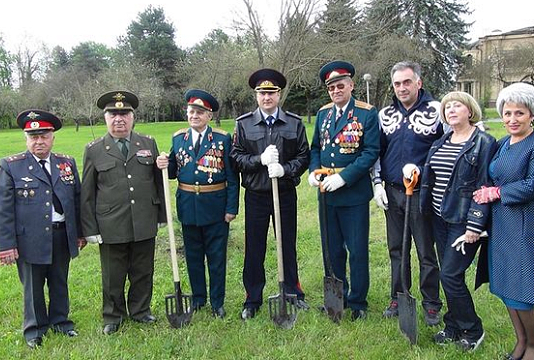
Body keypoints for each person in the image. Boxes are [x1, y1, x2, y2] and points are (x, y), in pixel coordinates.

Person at [473, 83, 534, 360]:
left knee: (522, 290)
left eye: (519, 113)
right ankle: (520, 342)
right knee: (507, 286)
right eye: (507, 113)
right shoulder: (501, 144)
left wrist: (497, 192)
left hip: (529, 226)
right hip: (503, 225)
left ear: (532, 114)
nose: (512, 119)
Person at [0, 109, 86, 349]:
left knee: (59, 281)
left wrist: (80, 233)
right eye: (33, 136)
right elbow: (1, 210)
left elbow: (76, 200)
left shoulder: (66, 163)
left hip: (61, 234)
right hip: (29, 239)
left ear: (52, 137)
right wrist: (6, 246)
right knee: (33, 287)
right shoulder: (11, 166)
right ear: (26, 138)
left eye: (44, 136)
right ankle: (34, 329)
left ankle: (61, 322)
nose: (39, 141)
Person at [80, 91, 166, 335]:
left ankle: (140, 310)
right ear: (105, 118)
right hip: (110, 223)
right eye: (113, 114)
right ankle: (113, 315)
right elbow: (87, 193)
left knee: (143, 270)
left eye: (124, 114)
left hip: (143, 218)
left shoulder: (147, 144)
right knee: (113, 274)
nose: (119, 119)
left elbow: (157, 181)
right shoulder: (94, 150)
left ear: (132, 117)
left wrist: (160, 216)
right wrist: (90, 229)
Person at [420, 92, 497, 351]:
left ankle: (473, 329)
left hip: (462, 221)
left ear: (470, 110)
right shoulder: (442, 141)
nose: (451, 110)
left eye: (457, 105)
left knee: (450, 275)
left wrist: (475, 224)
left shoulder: (484, 142)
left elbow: (485, 183)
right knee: (447, 275)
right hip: (439, 218)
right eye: (447, 106)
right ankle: (453, 326)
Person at [230, 68, 310, 319]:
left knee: (286, 244)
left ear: (279, 94)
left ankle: (292, 292)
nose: (267, 97)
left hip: (284, 193)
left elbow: (304, 156)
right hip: (256, 194)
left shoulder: (294, 123)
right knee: (254, 247)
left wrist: (284, 169)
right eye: (262, 93)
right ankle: (252, 298)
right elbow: (236, 157)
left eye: (272, 92)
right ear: (256, 96)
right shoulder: (243, 124)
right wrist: (260, 160)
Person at [371, 61, 443, 325]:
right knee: (396, 249)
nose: (402, 88)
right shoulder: (385, 114)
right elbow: (377, 151)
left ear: (418, 83)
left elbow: (448, 148)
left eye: (407, 82)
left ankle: (432, 302)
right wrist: (377, 183)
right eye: (397, 83)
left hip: (423, 192)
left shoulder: (437, 111)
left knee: (425, 250)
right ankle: (398, 295)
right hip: (392, 191)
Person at [156, 89, 239, 319]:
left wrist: (232, 208)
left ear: (209, 116)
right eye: (191, 111)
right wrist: (164, 162)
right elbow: (173, 171)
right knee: (193, 257)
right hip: (188, 206)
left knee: (216, 258)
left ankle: (217, 302)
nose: (194, 116)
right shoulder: (178, 138)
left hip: (216, 207)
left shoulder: (222, 139)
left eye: (200, 112)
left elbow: (232, 177)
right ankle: (199, 299)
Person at [308, 60, 380, 320]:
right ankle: (337, 297)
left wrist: (344, 178)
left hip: (352, 192)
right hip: (326, 192)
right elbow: (315, 147)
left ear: (351, 85)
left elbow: (371, 151)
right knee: (332, 248)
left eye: (340, 85)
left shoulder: (366, 113)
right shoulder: (324, 113)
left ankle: (358, 302)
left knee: (357, 249)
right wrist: (313, 172)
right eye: (331, 88)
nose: (336, 91)